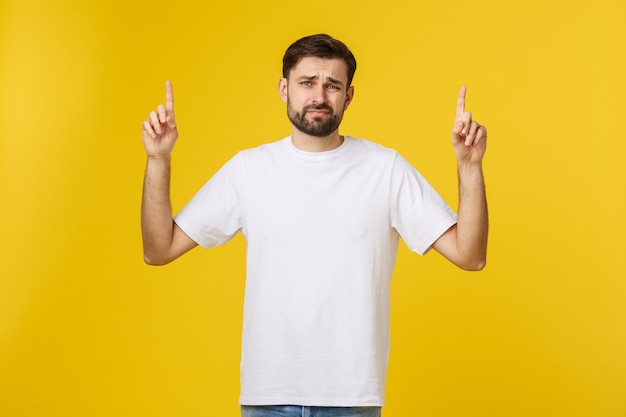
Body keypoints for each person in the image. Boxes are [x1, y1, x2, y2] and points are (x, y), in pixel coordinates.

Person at [141, 34, 488, 417]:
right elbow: (159, 249)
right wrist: (159, 160)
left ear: (349, 95)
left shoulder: (385, 169)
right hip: (267, 396)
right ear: (284, 88)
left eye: (332, 85)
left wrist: (469, 168)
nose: (318, 96)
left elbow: (469, 255)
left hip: (352, 399)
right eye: (307, 82)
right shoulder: (248, 170)